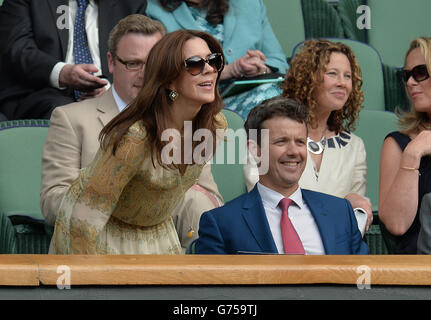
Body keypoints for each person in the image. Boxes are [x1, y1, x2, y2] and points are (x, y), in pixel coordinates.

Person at [41, 14, 223, 252]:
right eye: (134, 63)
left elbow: (206, 196)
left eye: (213, 61)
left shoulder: (209, 124)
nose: (146, 74)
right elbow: (68, 212)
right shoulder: (123, 133)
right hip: (103, 242)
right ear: (112, 62)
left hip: (163, 237)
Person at [193, 96, 369, 255]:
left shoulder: (340, 212)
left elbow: (364, 281)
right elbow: (214, 290)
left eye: (300, 142)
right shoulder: (221, 223)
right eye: (281, 142)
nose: (294, 152)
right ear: (254, 149)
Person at [0, 0, 148, 120]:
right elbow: (16, 48)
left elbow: (140, 60)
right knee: (71, 114)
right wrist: (62, 73)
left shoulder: (130, 4)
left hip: (109, 96)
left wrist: (111, 91)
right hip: (41, 93)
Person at [145, 0, 289, 119]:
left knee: (278, 103)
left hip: (258, 94)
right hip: (197, 107)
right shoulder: (153, 10)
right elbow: (160, 72)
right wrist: (229, 70)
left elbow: (279, 62)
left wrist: (260, 67)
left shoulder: (250, 4)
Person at [379, 37, 431, 254]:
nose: (410, 82)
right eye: (406, 75)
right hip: (418, 272)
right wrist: (413, 153)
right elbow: (396, 224)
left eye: (420, 72)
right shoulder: (398, 144)